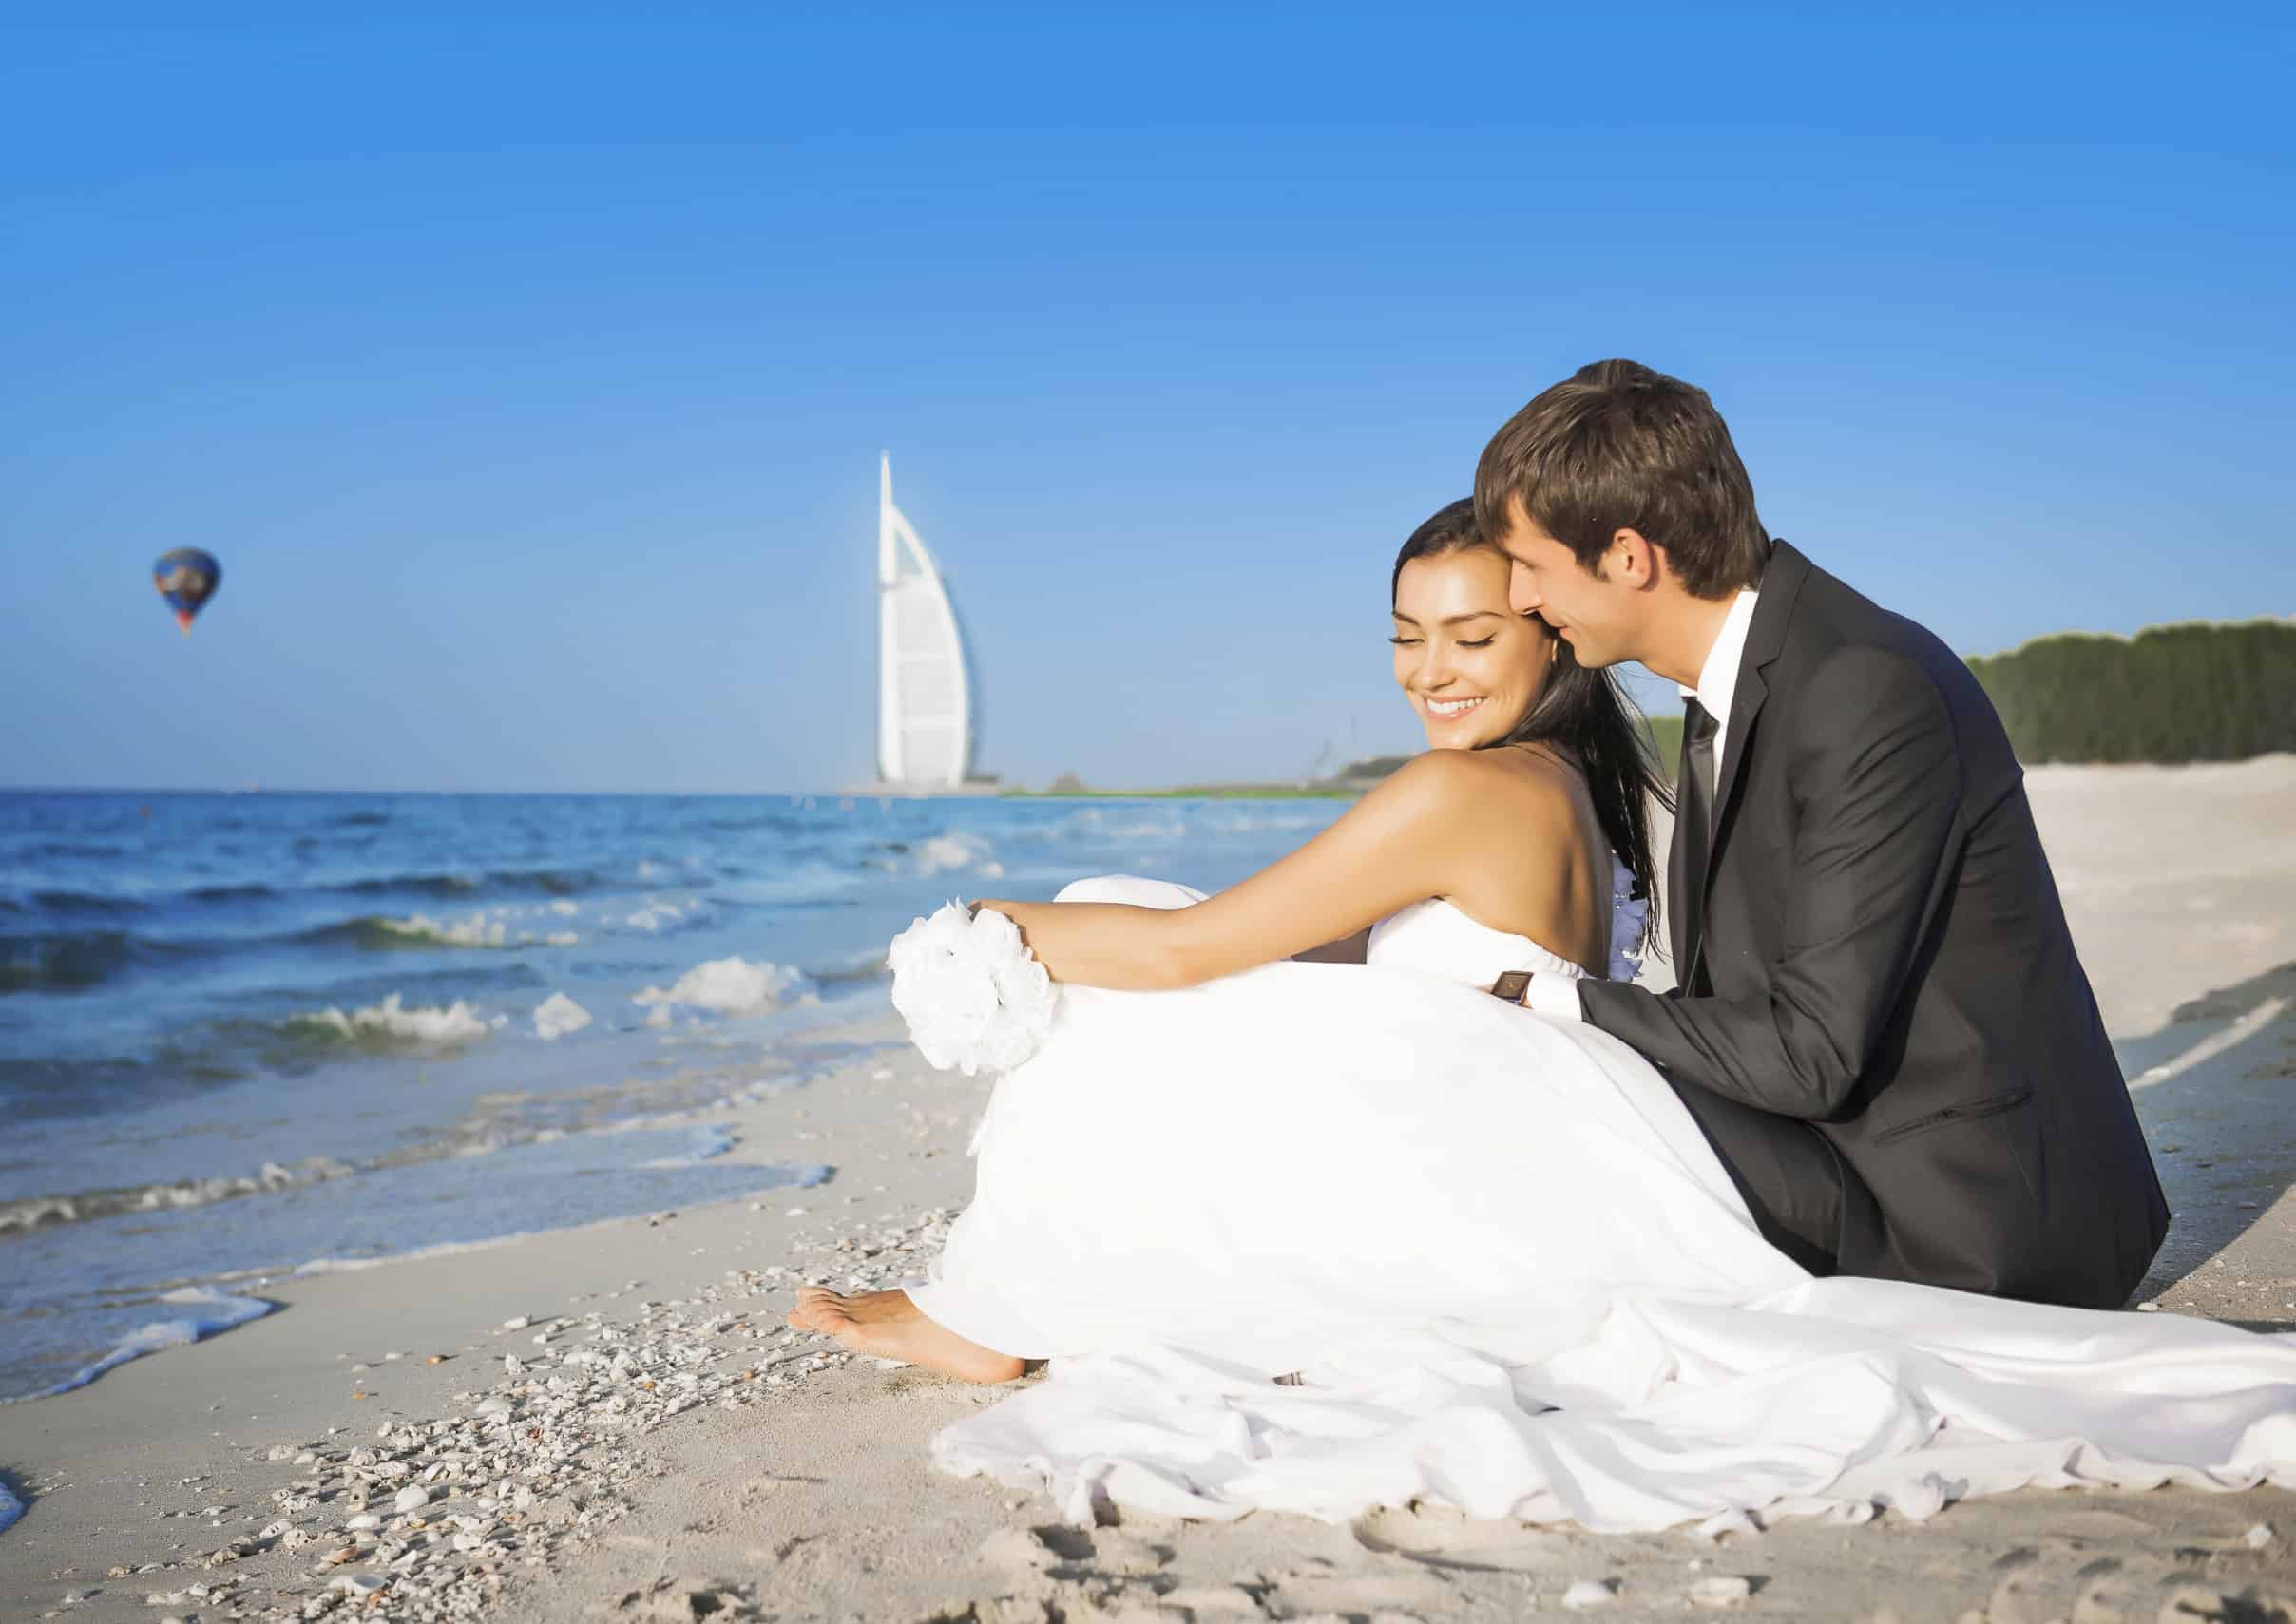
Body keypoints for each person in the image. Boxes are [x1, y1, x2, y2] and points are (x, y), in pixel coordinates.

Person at [781, 474, 2291, 1537]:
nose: (1429, 673)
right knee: (1160, 945)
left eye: (1473, 635)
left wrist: (988, 925)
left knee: (1136, 956)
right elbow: (1317, 951)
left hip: (1552, 1137)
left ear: (1547, 632)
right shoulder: (1592, 775)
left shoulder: (1462, 789)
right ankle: (1015, 1298)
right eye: (1406, 637)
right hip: (1565, 1113)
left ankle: (996, 1310)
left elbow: (1199, 955)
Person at [1476, 358, 2168, 1308]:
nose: (1517, 597)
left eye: (1530, 564)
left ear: (1630, 557)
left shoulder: (1861, 688)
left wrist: (1565, 1003)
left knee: (1549, 1106)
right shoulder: (1756, 674)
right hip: (1849, 1146)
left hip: (1965, 1218)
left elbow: (1808, 1052)